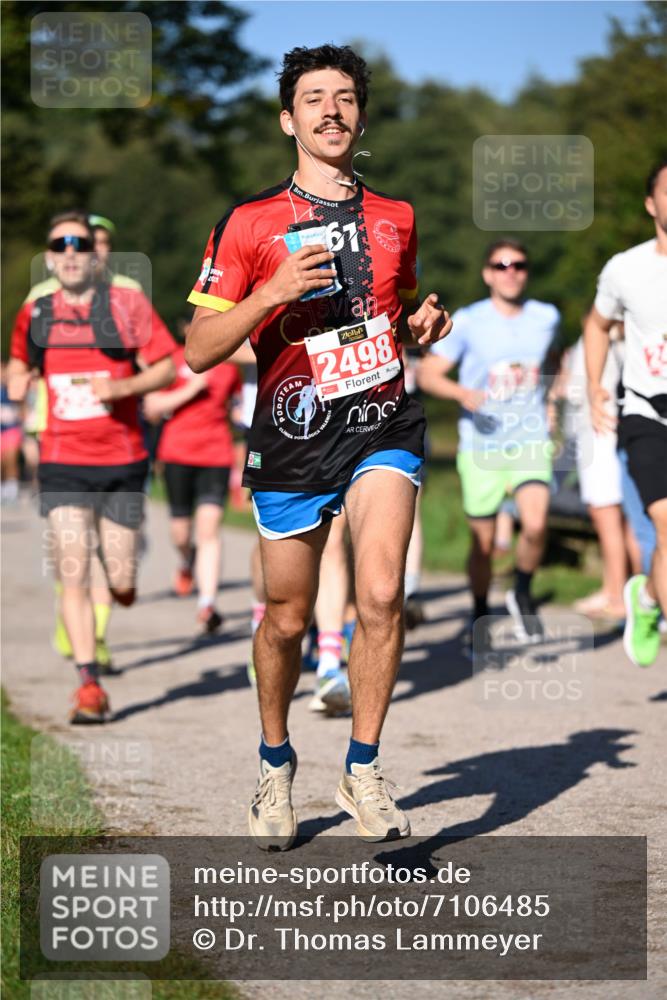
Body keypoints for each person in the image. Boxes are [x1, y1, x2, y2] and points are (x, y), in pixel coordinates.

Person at [185, 44, 451, 849]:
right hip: (293, 434)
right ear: (287, 119)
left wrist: (422, 326)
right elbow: (198, 349)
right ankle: (275, 764)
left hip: (382, 424)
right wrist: (268, 293)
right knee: (286, 618)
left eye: (344, 98)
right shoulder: (248, 222)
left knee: (379, 597)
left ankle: (362, 766)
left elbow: (402, 309)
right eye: (313, 98)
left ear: (360, 116)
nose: (330, 110)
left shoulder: (396, 215)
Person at [8, 211, 176, 722]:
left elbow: (168, 365)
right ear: (51, 256)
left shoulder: (126, 305)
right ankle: (88, 684)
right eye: (60, 244)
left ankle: (122, 582)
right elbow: (19, 361)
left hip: (122, 458)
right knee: (74, 571)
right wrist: (18, 380)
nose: (71, 252)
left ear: (94, 252)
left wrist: (121, 388)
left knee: (120, 576)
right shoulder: (37, 313)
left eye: (80, 242)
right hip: (62, 460)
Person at [418, 240, 561, 648]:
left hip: (530, 437)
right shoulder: (468, 321)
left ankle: (521, 591)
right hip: (482, 445)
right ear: (487, 274)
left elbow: (553, 360)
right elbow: (429, 374)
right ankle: (480, 611)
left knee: (535, 524)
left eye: (518, 264)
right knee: (482, 544)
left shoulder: (546, 317)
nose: (510, 271)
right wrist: (463, 394)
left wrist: (552, 395)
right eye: (501, 265)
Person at [24, 212, 142, 670]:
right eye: (70, 244)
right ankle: (78, 624)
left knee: (112, 552)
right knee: (71, 539)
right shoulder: (41, 298)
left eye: (99, 242)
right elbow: (30, 362)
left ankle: (99, 624)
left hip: (118, 430)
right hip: (51, 428)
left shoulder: (127, 297)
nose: (90, 249)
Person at [585, 157, 667, 667]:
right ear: (651, 203)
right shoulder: (625, 268)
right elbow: (597, 325)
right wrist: (595, 386)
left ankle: (647, 598)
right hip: (647, 415)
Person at [143, 319, 242, 633]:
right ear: (187, 327)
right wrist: (191, 389)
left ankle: (207, 604)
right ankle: (187, 562)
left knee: (209, 530)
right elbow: (151, 409)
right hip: (176, 455)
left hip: (216, 455)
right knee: (181, 534)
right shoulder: (171, 360)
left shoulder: (229, 366)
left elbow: (238, 409)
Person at [563, 325, 640, 620]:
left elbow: (579, 389)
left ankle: (618, 596)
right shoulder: (618, 333)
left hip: (601, 430)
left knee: (608, 516)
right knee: (624, 519)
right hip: (606, 430)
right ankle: (618, 589)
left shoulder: (608, 333)